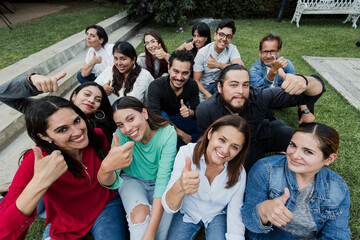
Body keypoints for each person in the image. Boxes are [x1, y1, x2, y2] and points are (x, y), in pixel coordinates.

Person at [0, 96, 129, 239]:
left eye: (77, 120)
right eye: (62, 129)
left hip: (105, 206)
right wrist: (39, 183)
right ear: (44, 136)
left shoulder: (97, 136)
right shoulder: (38, 160)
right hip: (67, 221)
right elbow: (4, 228)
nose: (77, 132)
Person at [196, 64, 326, 172]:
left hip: (260, 134)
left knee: (301, 139)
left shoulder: (259, 97)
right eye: (233, 85)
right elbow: (208, 145)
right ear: (220, 87)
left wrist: (305, 81)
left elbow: (315, 91)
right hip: (239, 147)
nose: (240, 91)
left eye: (245, 85)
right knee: (248, 173)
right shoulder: (205, 110)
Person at [242, 122, 351, 239]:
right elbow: (249, 224)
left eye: (308, 151)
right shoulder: (265, 170)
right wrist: (263, 210)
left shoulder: (338, 188)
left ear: (329, 159)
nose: (294, 155)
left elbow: (337, 235)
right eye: (293, 145)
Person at [97, 96, 177, 240]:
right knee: (140, 216)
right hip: (132, 181)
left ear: (144, 113)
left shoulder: (168, 133)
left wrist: (150, 235)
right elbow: (109, 181)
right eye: (120, 124)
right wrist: (108, 167)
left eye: (131, 119)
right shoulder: (120, 136)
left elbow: (163, 179)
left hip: (161, 183)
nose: (127, 129)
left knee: (159, 234)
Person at [162, 115, 251, 240]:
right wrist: (180, 186)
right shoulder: (186, 153)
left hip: (216, 214)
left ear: (240, 150)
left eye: (234, 147)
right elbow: (169, 206)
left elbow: (235, 211)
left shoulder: (239, 173)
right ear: (210, 133)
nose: (225, 150)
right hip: (187, 212)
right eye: (222, 140)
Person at [0, 73, 116, 143]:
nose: (91, 100)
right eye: (87, 94)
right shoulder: (50, 111)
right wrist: (30, 82)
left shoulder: (104, 122)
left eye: (97, 99)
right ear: (74, 96)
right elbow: (2, 94)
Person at [249, 33, 315, 123]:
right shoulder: (254, 70)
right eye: (265, 52)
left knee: (305, 87)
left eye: (272, 51)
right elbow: (257, 94)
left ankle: (306, 125)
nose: (268, 56)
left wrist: (305, 110)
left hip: (281, 96)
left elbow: (296, 88)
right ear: (260, 52)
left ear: (278, 51)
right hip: (264, 99)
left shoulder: (286, 64)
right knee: (259, 105)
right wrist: (273, 70)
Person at [147, 50, 200, 149]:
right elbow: (154, 117)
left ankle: (186, 145)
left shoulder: (192, 85)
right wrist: (181, 134)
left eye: (185, 73)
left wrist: (190, 112)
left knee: (203, 128)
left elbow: (197, 111)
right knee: (162, 117)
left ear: (190, 73)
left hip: (179, 118)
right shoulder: (156, 86)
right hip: (161, 123)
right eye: (176, 71)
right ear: (169, 69)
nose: (179, 77)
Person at [193, 20, 245, 101]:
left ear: (231, 38)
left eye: (228, 36)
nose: (224, 39)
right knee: (204, 109)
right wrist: (207, 94)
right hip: (204, 87)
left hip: (221, 85)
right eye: (221, 34)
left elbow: (241, 69)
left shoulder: (231, 48)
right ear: (215, 35)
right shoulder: (202, 53)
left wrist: (218, 65)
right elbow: (196, 80)